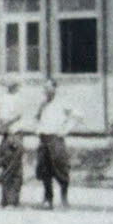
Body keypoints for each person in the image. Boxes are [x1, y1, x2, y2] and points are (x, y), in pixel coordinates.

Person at [35, 78, 81, 209]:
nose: (47, 91)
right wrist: (37, 130)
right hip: (44, 139)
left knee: (61, 168)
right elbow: (37, 118)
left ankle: (64, 198)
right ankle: (48, 199)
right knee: (44, 171)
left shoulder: (62, 103)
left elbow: (77, 116)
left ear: (55, 89)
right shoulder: (43, 104)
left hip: (56, 139)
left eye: (49, 88)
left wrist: (65, 130)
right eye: (45, 88)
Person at [0, 79, 30, 207]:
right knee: (12, 168)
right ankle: (10, 201)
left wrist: (4, 125)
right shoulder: (8, 99)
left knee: (13, 168)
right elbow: (11, 117)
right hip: (12, 135)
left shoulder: (8, 99)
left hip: (13, 134)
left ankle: (10, 200)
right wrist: (6, 125)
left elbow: (10, 118)